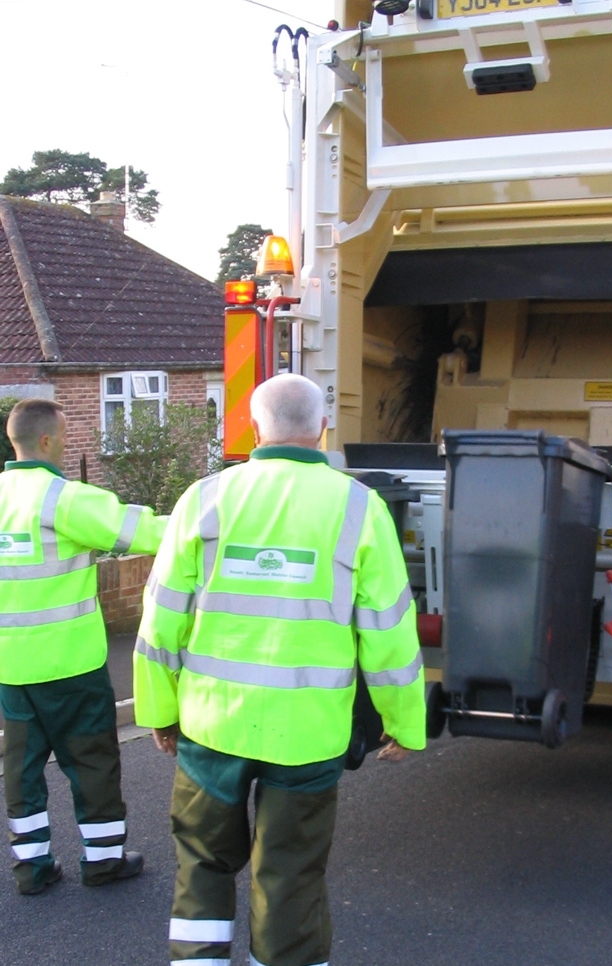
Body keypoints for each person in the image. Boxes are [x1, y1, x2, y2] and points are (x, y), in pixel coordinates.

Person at [134, 373, 426, 966]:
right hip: (308, 733)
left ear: (254, 424)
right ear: (323, 430)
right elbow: (390, 633)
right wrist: (404, 722)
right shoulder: (360, 507)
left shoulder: (204, 498)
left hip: (212, 726)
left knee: (203, 861)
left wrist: (159, 712)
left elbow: (160, 622)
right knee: (291, 872)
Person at [0, 398, 167, 895]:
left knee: (22, 768)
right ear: (47, 441)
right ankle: (103, 862)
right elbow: (145, 531)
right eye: (66, 435)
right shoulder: (62, 498)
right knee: (91, 762)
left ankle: (31, 869)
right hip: (71, 664)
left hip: (11, 668)